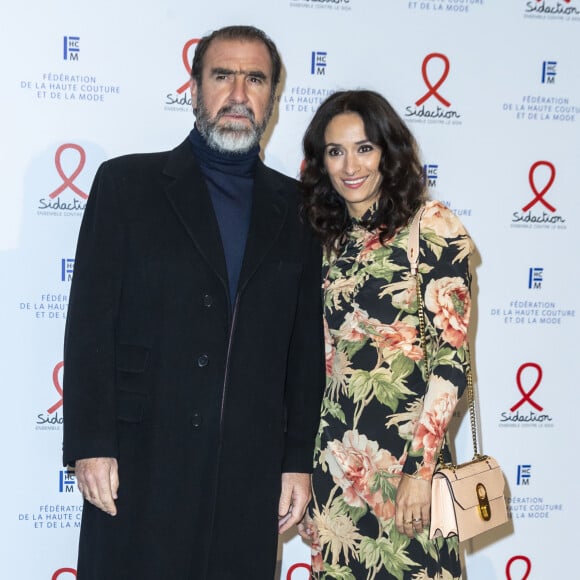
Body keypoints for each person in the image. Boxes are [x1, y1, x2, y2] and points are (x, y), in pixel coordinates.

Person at [62, 25, 324, 580]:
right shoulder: (127, 185)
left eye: (255, 79)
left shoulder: (297, 209)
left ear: (272, 97)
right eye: (222, 75)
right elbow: (89, 324)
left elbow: (303, 351)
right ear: (194, 87)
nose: (238, 93)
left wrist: (297, 460)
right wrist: (91, 444)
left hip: (248, 471)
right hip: (140, 459)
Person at [298, 90, 473, 579]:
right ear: (321, 162)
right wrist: (311, 477)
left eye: (365, 148)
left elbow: (450, 362)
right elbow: (324, 367)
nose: (350, 165)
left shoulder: (432, 227)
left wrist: (420, 472)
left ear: (388, 152)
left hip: (408, 470)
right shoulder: (325, 241)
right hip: (337, 473)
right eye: (335, 151)